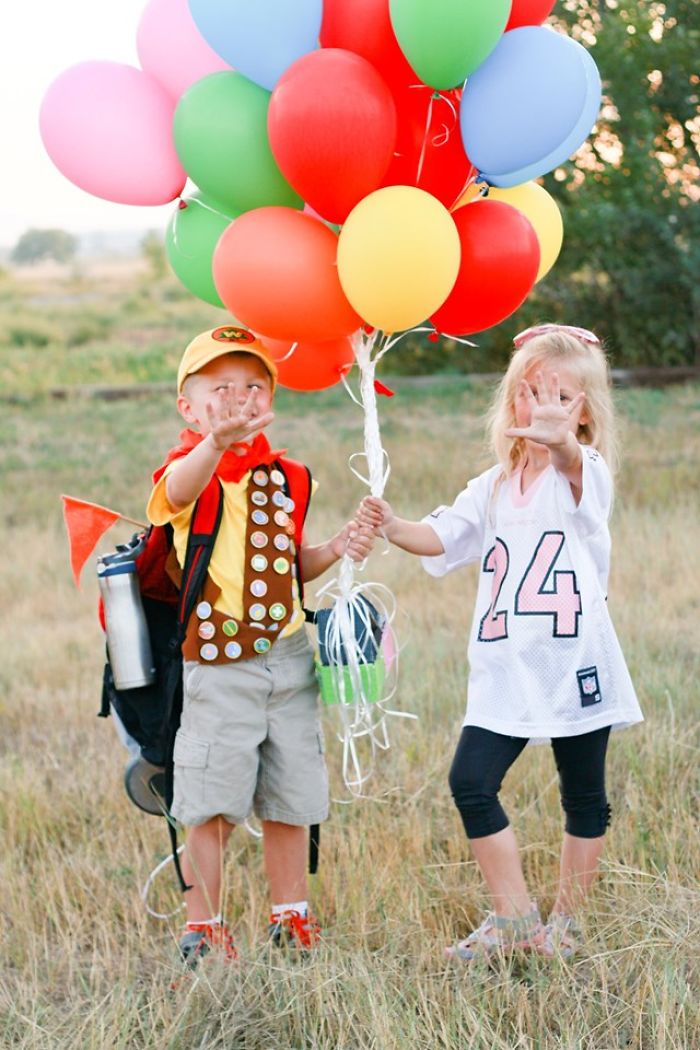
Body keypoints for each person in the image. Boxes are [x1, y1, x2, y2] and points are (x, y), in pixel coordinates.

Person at [358, 323, 643, 961]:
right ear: (510, 400)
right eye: (529, 392)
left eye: (561, 397)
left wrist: (563, 445)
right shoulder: (490, 487)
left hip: (572, 661)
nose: (541, 407)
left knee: (584, 792)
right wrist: (394, 525)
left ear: (586, 416)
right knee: (471, 780)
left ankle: (565, 926)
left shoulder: (585, 472)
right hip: (505, 666)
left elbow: (574, 468)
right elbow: (443, 537)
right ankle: (514, 919)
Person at [147, 325, 373, 967]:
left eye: (253, 385)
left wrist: (337, 548)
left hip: (289, 658)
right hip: (219, 665)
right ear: (189, 407)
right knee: (211, 799)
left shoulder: (290, 476)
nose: (239, 398)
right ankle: (204, 928)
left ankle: (290, 917)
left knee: (292, 794)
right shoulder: (186, 474)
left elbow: (290, 565)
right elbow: (180, 494)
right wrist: (215, 445)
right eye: (221, 389)